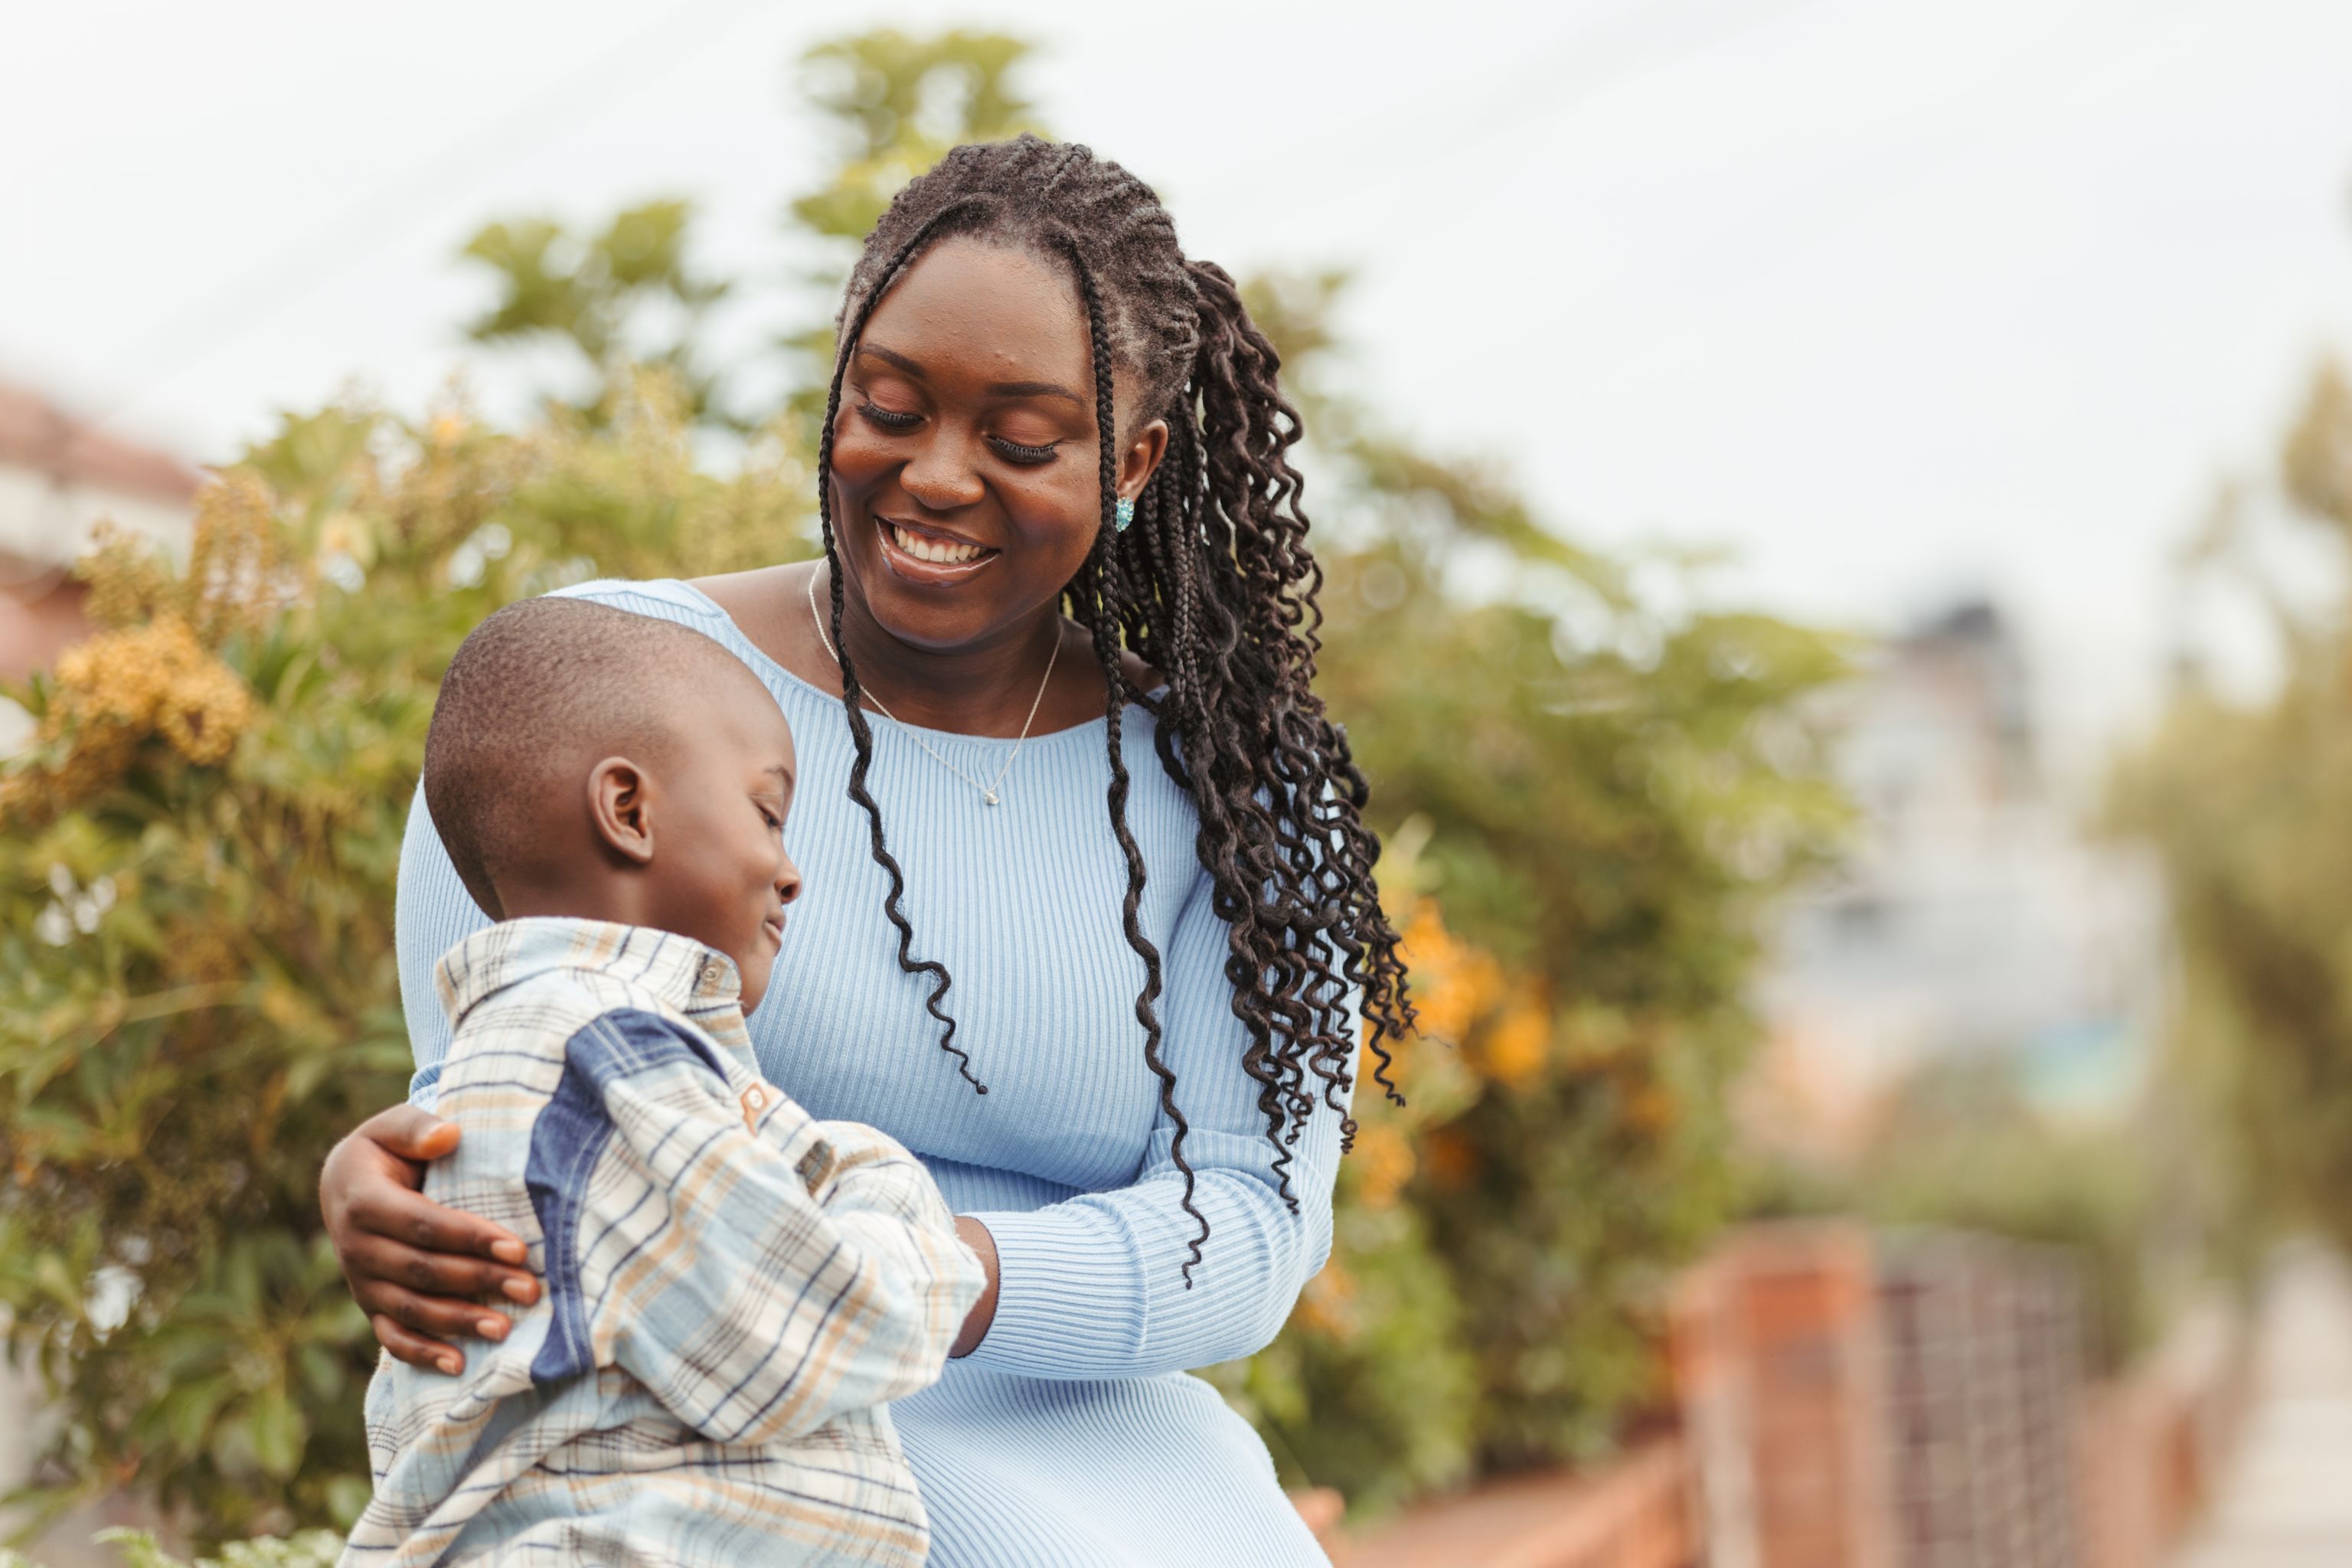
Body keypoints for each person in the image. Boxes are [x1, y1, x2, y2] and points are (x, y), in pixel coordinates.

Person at [321, 136, 1413, 1566]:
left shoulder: (1240, 790)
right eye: (887, 407)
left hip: (1116, 1489)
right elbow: (491, 1089)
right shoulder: (597, 698)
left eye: (1023, 440)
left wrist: (901, 1275)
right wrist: (386, 1179)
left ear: (1135, 458)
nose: (937, 477)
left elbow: (1252, 1221)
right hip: (687, 1475)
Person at [341, 597, 982, 1566]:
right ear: (629, 810)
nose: (790, 869)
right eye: (769, 812)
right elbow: (816, 1331)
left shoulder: (516, 1067)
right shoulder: (611, 1059)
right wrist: (885, 1187)